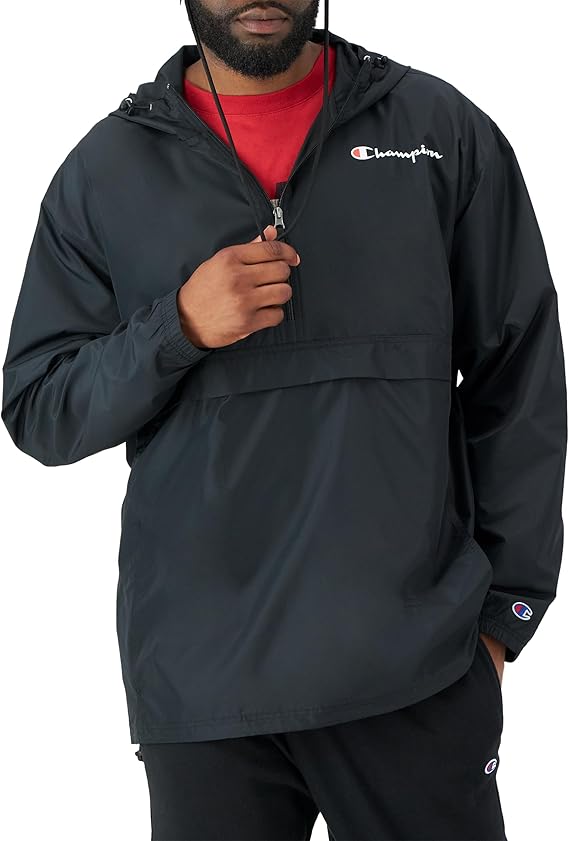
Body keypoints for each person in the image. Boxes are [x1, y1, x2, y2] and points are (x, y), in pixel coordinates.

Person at [2, 0, 566, 838]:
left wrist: (503, 616)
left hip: (416, 670)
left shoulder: (438, 131)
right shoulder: (107, 169)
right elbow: (40, 408)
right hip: (203, 688)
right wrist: (177, 328)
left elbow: (518, 376)